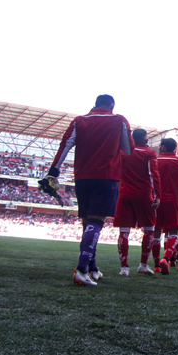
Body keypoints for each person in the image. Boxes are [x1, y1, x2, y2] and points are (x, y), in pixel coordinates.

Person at [43, 94, 133, 286]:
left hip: (82, 177)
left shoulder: (79, 121)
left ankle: (92, 267)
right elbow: (128, 149)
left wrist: (53, 172)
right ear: (112, 106)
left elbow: (65, 145)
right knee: (96, 221)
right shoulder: (119, 120)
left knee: (87, 223)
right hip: (107, 176)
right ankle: (81, 270)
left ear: (95, 105)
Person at [113, 128, 161, 277]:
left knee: (124, 231)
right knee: (149, 229)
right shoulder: (149, 153)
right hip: (143, 194)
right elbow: (154, 175)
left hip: (124, 194)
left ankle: (124, 267)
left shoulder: (123, 152)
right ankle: (143, 265)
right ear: (145, 140)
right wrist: (158, 195)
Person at [154, 138, 178, 273]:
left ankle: (156, 265)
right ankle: (166, 258)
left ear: (162, 147)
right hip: (174, 200)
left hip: (157, 200)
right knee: (175, 230)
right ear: (174, 148)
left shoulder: (154, 160)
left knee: (156, 230)